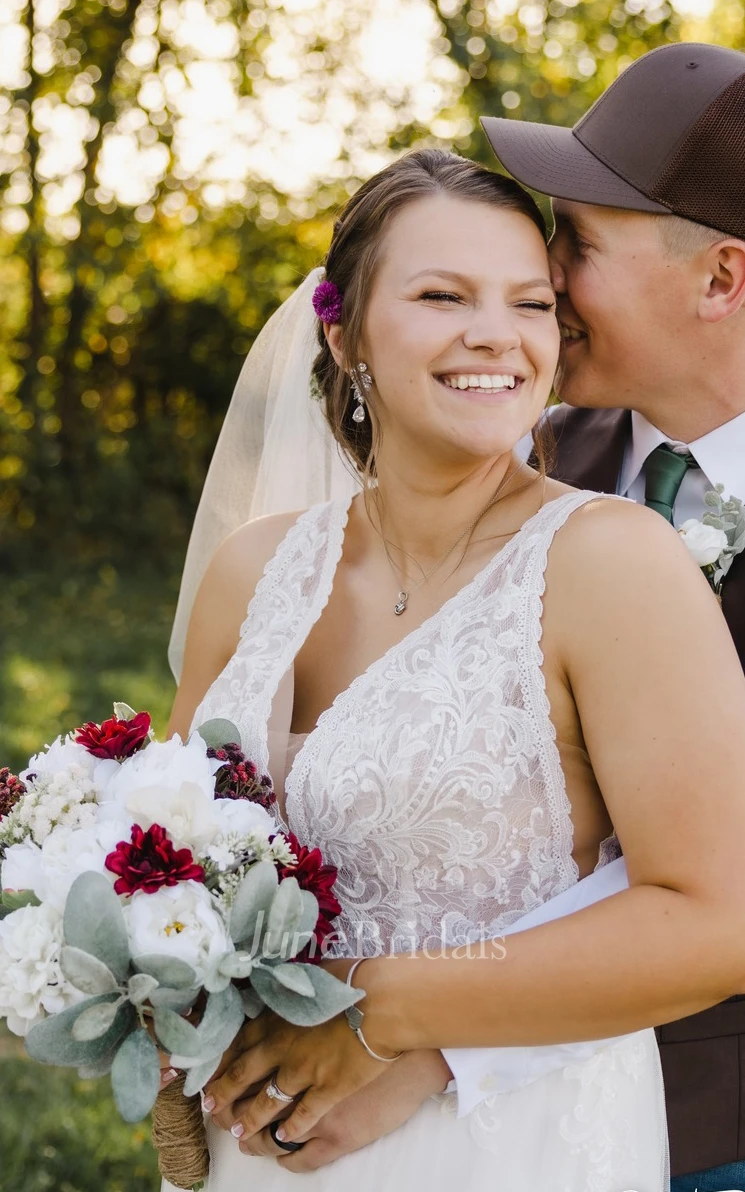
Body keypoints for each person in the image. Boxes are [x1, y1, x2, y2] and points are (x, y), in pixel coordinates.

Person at [164, 147, 745, 1192]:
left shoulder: (609, 561)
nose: (496, 333)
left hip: (507, 1147)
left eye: (530, 301)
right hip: (254, 1152)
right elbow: (168, 855)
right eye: (441, 295)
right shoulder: (250, 571)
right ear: (342, 329)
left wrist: (377, 1011)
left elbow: (717, 917)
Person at [480, 40, 745, 1192]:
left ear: (722, 279)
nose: (538, 270)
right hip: (495, 1124)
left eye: (577, 239)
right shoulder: (515, 463)